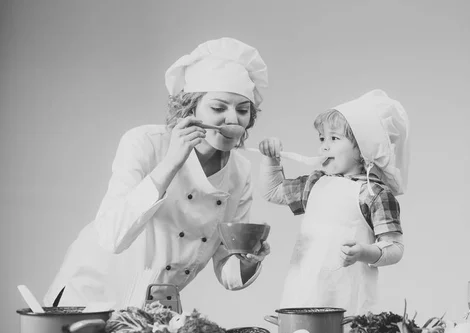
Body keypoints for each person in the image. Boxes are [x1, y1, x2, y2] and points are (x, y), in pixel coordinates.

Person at [44, 37, 271, 309]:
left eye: (242, 110)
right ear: (191, 108)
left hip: (157, 308)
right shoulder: (145, 143)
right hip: (92, 297)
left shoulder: (240, 172)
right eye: (218, 108)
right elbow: (111, 237)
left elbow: (227, 269)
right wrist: (171, 163)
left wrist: (247, 260)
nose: (233, 119)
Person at [258, 89, 409, 315]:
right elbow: (273, 191)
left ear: (364, 148)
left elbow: (395, 248)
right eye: (322, 139)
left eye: (334, 139)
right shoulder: (317, 182)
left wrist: (364, 253)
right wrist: (271, 159)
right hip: (301, 295)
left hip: (347, 303)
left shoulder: (374, 193)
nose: (323, 147)